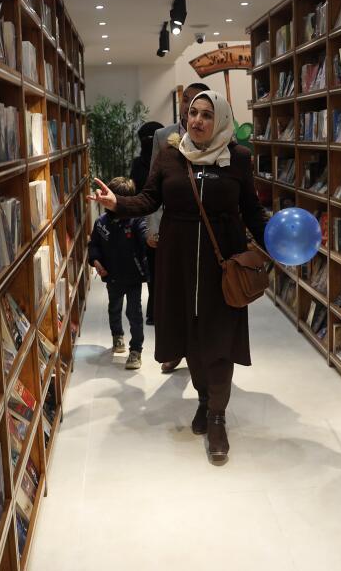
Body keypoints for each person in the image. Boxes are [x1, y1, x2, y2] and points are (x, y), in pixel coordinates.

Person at [90, 90, 267, 465]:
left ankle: (217, 416)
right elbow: (150, 199)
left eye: (206, 115)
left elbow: (251, 210)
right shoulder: (171, 155)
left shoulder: (237, 159)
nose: (197, 121)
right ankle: (204, 399)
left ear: (220, 120)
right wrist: (117, 204)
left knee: (219, 336)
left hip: (223, 262)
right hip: (177, 260)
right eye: (192, 113)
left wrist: (278, 241)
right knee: (191, 336)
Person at [149, 82, 211, 372]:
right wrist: (153, 226)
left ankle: (201, 352)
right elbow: (154, 188)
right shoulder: (164, 136)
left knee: (201, 297)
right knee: (171, 295)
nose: (189, 107)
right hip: (171, 228)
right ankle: (175, 350)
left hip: (204, 230)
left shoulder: (219, 138)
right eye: (186, 101)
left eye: (197, 103)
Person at [87, 177, 149, 370]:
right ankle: (117, 336)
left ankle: (136, 350)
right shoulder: (101, 223)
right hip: (111, 276)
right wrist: (96, 261)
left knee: (134, 313)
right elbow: (93, 245)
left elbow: (146, 239)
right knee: (114, 308)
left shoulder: (136, 222)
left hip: (133, 277)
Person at [130, 121, 164, 322]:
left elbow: (136, 193)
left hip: (151, 220)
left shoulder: (139, 163)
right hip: (151, 221)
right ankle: (156, 310)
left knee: (154, 268)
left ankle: (154, 311)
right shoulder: (167, 160)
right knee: (155, 267)